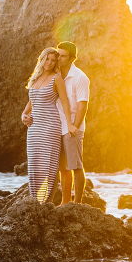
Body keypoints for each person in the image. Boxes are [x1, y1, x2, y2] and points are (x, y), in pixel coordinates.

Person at [20, 48, 74, 203]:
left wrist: (69, 124)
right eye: (47, 59)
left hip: (50, 127)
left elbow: (65, 102)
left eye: (53, 60)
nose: (50, 63)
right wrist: (23, 115)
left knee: (48, 166)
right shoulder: (35, 79)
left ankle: (47, 203)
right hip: (34, 129)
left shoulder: (56, 78)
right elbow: (31, 102)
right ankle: (35, 202)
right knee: (35, 165)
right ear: (42, 59)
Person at [55, 41, 90, 204]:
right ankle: (65, 201)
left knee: (76, 166)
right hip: (58, 126)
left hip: (72, 128)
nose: (59, 58)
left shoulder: (80, 78)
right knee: (63, 168)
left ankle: (77, 203)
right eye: (58, 54)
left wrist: (74, 126)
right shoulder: (56, 75)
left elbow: (83, 105)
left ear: (72, 58)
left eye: (63, 56)